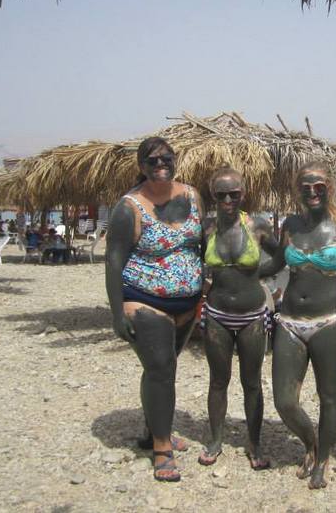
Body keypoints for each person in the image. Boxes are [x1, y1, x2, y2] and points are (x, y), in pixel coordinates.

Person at [259, 161, 336, 489]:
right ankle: (311, 442)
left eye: (319, 185)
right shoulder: (290, 224)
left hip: (330, 321)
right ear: (297, 190)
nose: (312, 191)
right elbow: (275, 262)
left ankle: (323, 459)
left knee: (328, 396)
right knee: (284, 401)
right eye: (305, 186)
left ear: (330, 187)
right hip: (289, 321)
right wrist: (233, 267)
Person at [105, 137, 203, 482]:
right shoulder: (129, 207)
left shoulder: (192, 196)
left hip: (188, 303)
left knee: (166, 369)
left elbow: (201, 243)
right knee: (160, 368)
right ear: (141, 166)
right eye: (152, 160)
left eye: (166, 157)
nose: (160, 163)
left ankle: (152, 429)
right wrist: (117, 313)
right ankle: (162, 447)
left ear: (176, 160)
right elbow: (114, 260)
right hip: (143, 298)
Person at [198, 167, 278, 470]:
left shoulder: (257, 225)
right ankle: (216, 439)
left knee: (252, 382)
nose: (229, 199)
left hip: (253, 314)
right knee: (218, 381)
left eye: (235, 193)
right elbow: (191, 259)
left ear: (244, 193)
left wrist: (260, 273)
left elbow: (281, 255)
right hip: (217, 313)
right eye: (222, 194)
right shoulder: (206, 228)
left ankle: (254, 443)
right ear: (213, 196)